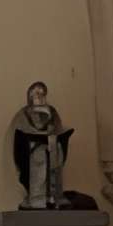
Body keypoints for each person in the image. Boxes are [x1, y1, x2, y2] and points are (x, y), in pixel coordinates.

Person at [10, 82, 73, 210]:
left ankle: (54, 197)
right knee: (39, 167)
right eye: (36, 93)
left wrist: (56, 137)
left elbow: (57, 128)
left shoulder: (52, 111)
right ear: (30, 96)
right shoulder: (23, 114)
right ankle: (37, 198)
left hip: (51, 144)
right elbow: (21, 133)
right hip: (35, 149)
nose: (40, 96)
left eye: (42, 93)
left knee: (55, 160)